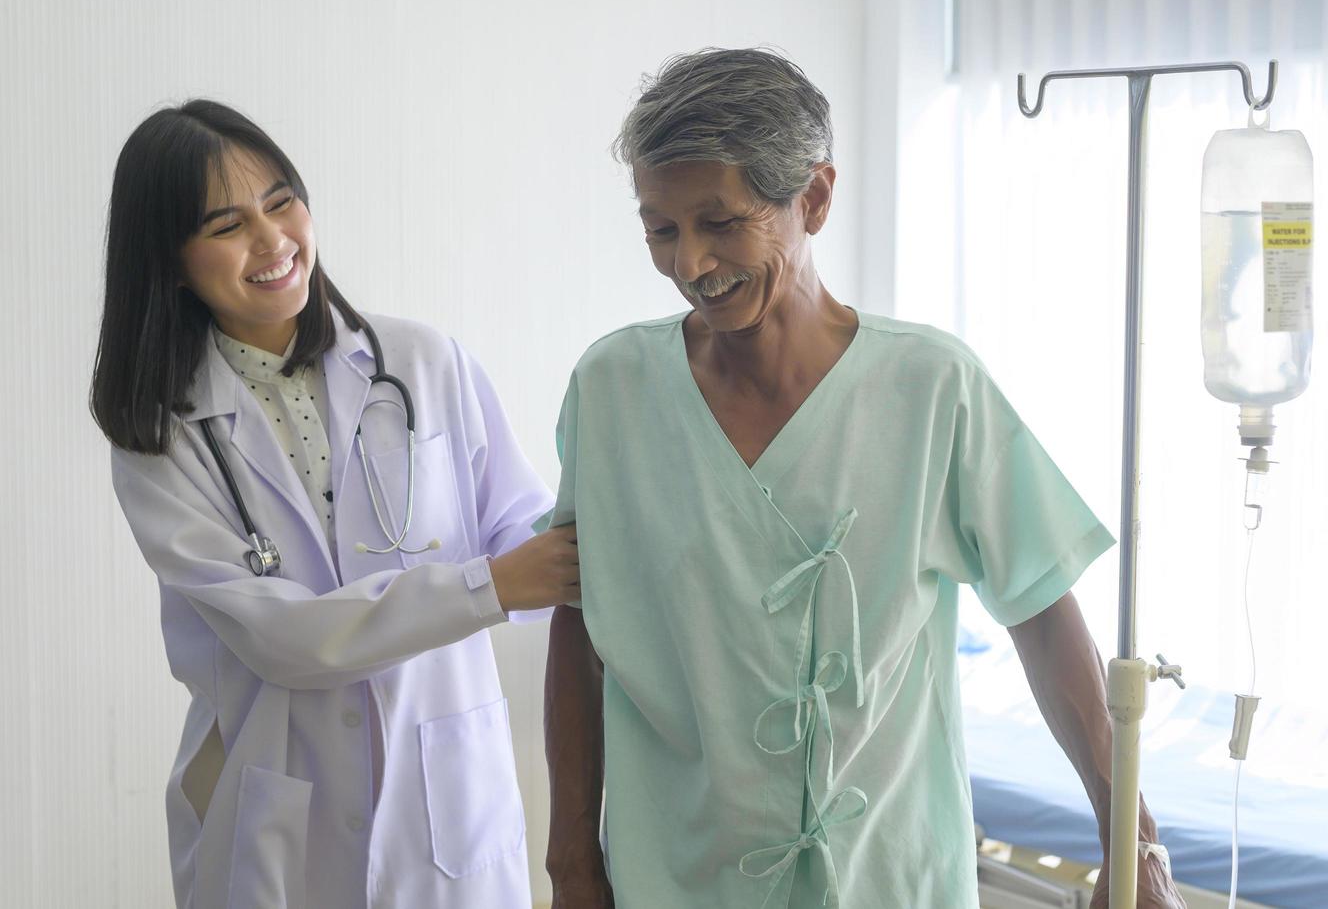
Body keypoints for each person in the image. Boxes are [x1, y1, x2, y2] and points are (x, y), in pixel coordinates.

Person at [542, 49, 1184, 908]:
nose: (690, 263)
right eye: (662, 230)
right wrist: (571, 866)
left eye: (721, 222)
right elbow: (581, 632)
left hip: (891, 872)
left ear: (813, 197)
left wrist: (1129, 837)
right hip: (680, 873)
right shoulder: (614, 390)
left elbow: (1040, 612)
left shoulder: (930, 388)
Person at [90, 100, 579, 908]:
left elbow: (524, 537)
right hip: (277, 814)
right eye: (226, 224)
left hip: (446, 798)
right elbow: (282, 639)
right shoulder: (162, 434)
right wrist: (489, 586)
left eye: (281, 201)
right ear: (171, 261)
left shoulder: (424, 363)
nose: (272, 240)